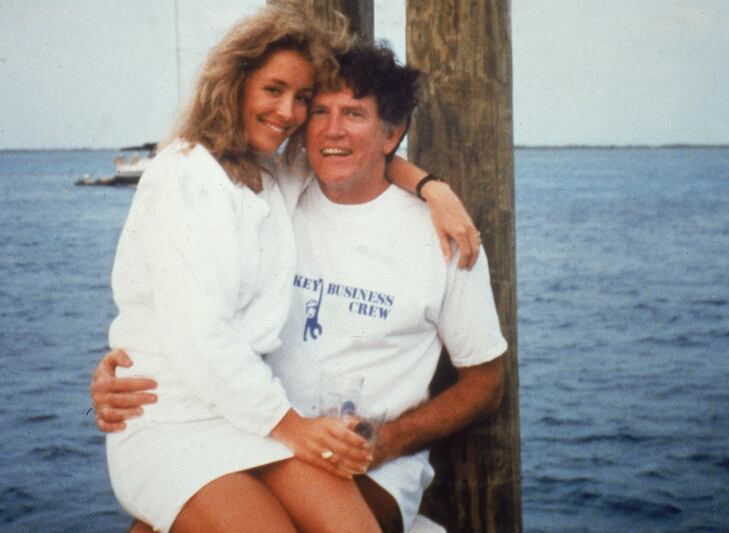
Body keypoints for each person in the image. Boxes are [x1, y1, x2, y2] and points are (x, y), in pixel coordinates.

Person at [94, 37, 506, 533]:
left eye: (354, 113)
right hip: (258, 426)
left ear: (393, 132)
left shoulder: (444, 240)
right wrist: (133, 362)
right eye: (320, 111)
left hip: (363, 459)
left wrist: (390, 440)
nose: (332, 129)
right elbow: (188, 303)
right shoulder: (280, 191)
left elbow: (486, 383)